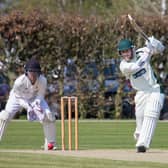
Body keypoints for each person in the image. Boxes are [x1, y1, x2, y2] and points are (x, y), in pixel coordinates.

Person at [118, 36, 165, 152]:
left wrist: (154, 42)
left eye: (127, 51)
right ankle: (140, 134)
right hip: (141, 93)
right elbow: (135, 67)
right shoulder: (123, 65)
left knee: (151, 113)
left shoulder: (143, 51)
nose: (125, 54)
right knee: (140, 118)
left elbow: (161, 49)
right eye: (123, 52)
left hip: (155, 89)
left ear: (132, 49)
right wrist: (147, 54)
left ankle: (143, 144)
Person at [0, 58, 57, 150]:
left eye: (36, 72)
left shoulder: (43, 80)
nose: (34, 75)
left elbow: (40, 95)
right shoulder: (19, 82)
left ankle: (50, 144)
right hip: (17, 99)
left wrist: (36, 103)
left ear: (39, 72)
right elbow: (18, 98)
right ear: (26, 72)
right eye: (31, 72)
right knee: (5, 116)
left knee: (49, 116)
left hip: (35, 98)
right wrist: (28, 107)